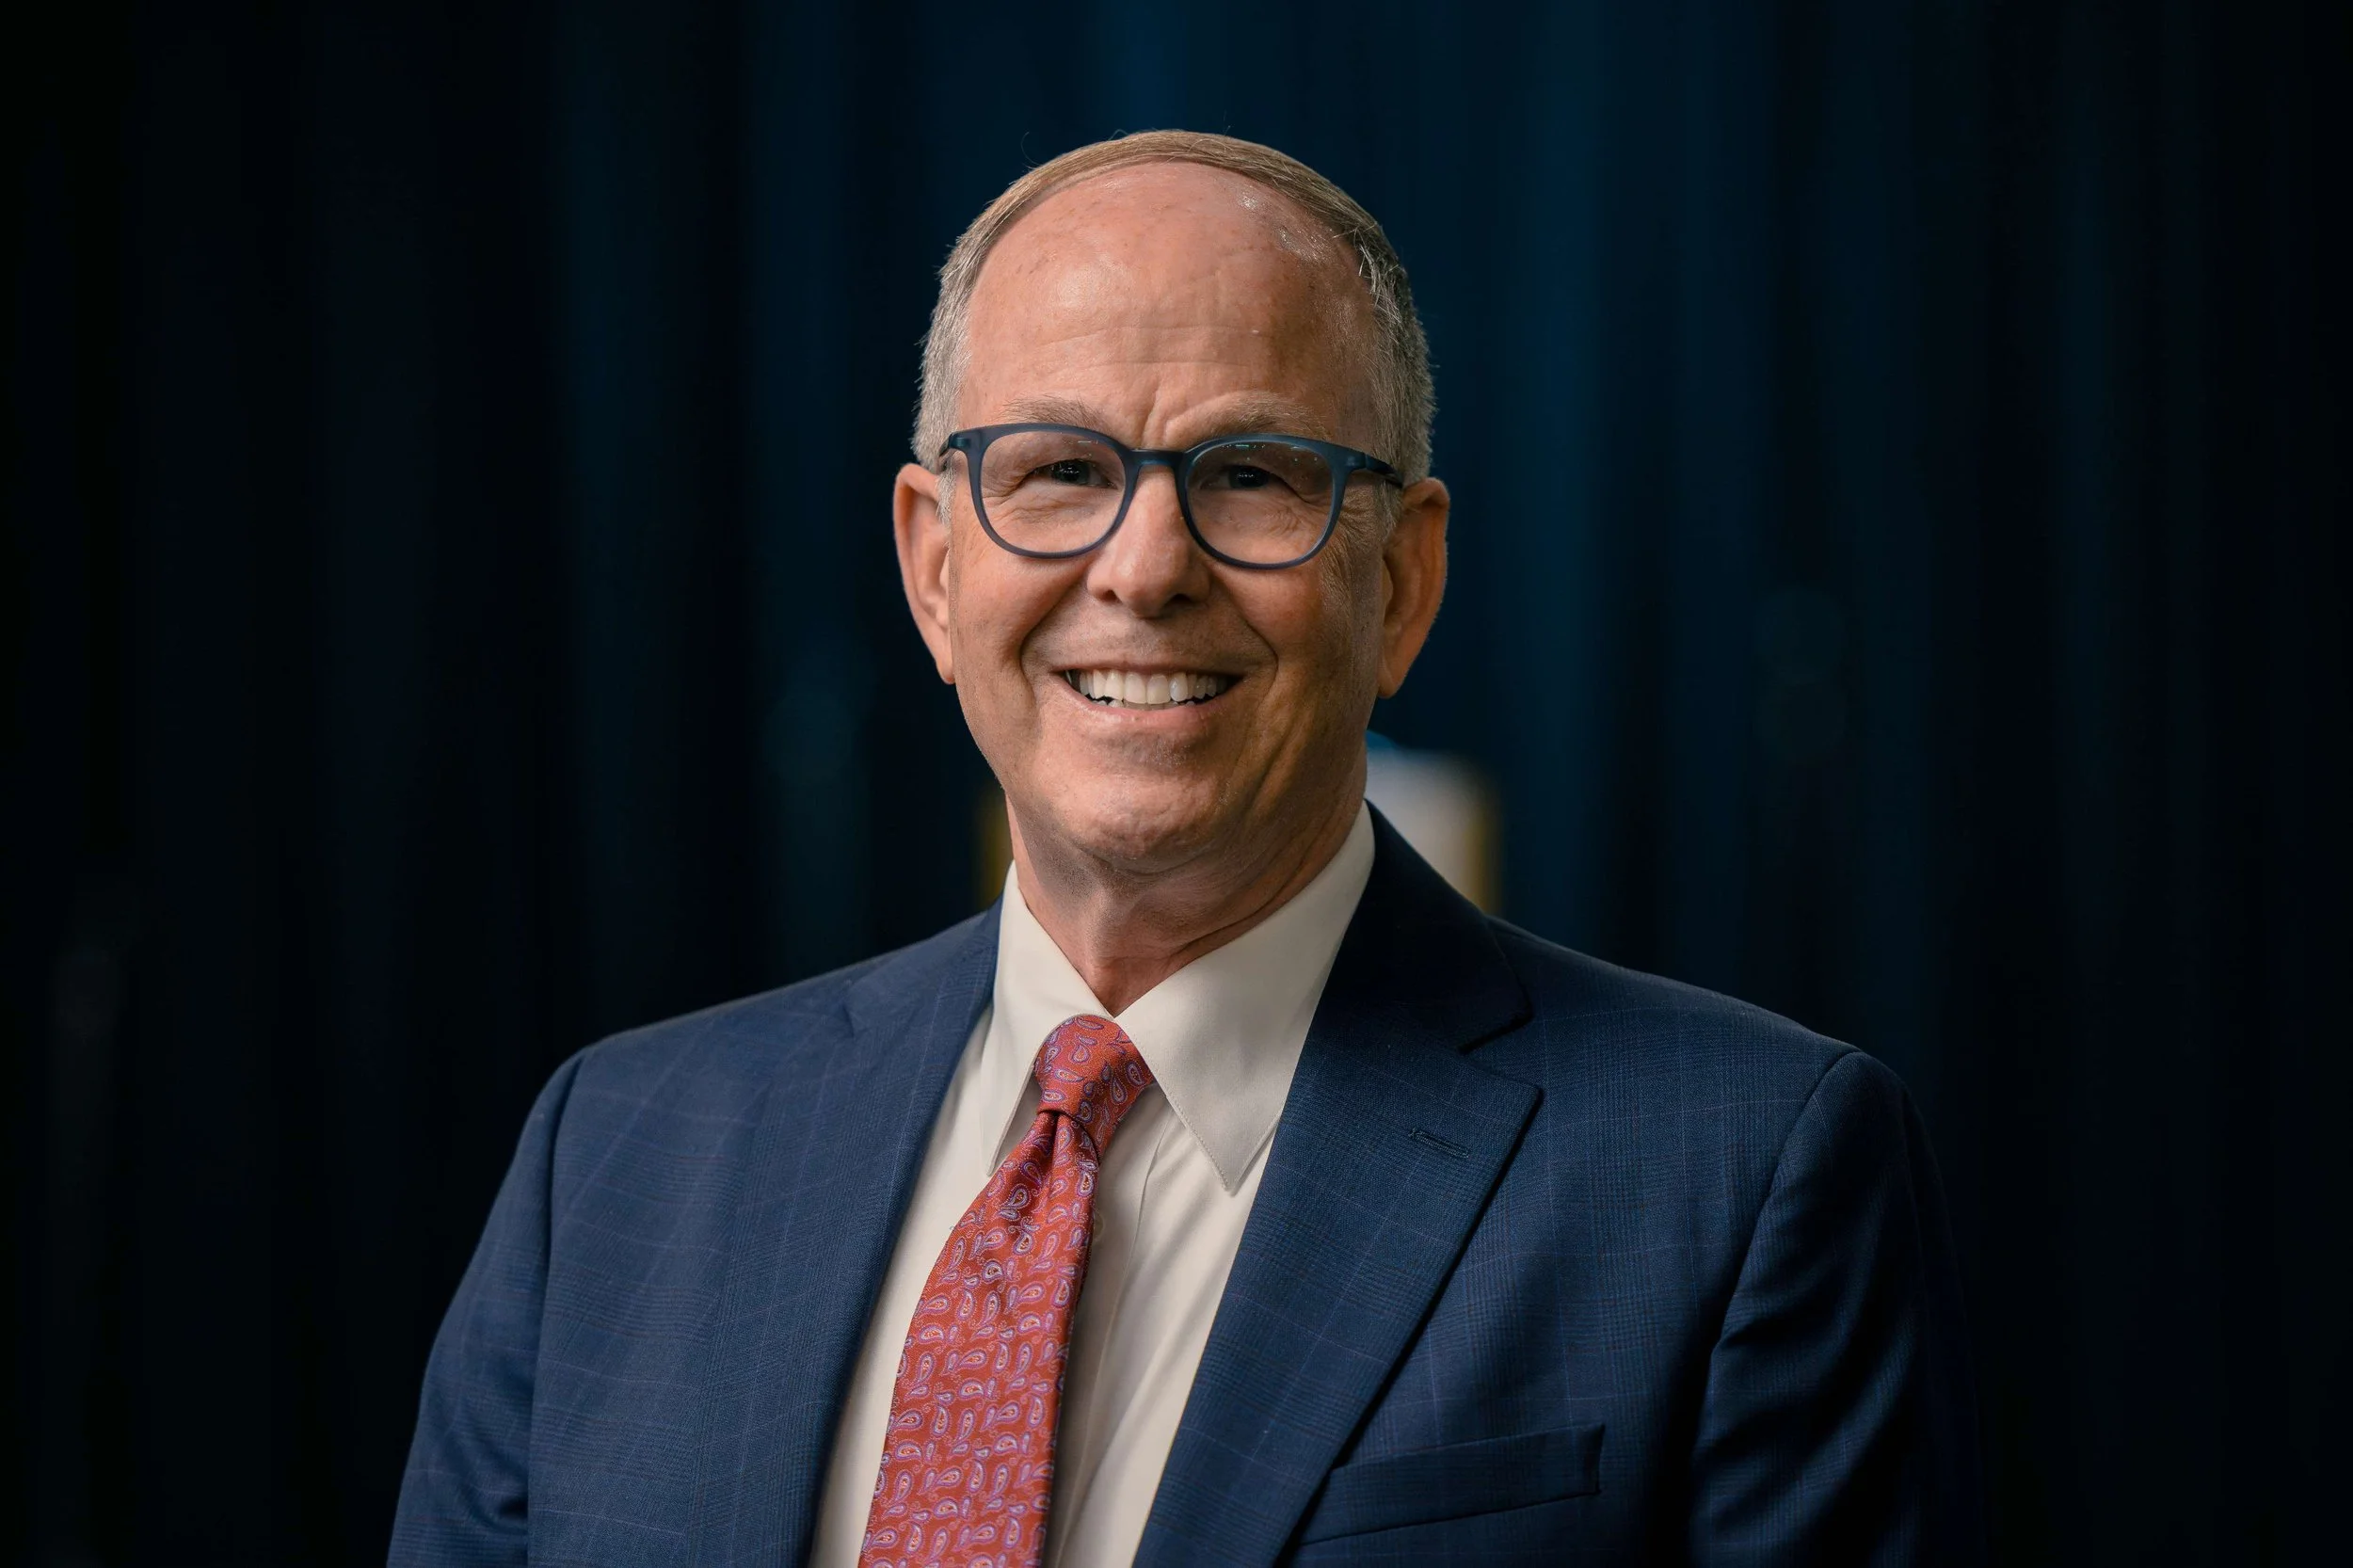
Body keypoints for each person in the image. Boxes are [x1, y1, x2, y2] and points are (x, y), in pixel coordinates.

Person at [392, 131, 1981, 1567]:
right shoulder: (613, 1156)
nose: (1144, 568)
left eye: (1252, 475)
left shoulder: (1744, 1174)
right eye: (1059, 471)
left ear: (1404, 583)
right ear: (934, 570)